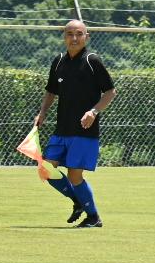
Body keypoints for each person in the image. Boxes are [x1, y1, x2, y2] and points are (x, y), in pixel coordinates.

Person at [31, 19, 115, 228]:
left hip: (84, 131)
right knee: (46, 169)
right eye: (70, 34)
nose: (74, 38)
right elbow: (51, 91)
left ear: (86, 37)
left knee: (75, 175)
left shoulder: (92, 61)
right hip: (62, 129)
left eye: (79, 34)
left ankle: (93, 217)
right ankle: (78, 200)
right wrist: (42, 113)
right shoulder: (58, 61)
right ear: (64, 37)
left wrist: (93, 111)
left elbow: (110, 92)